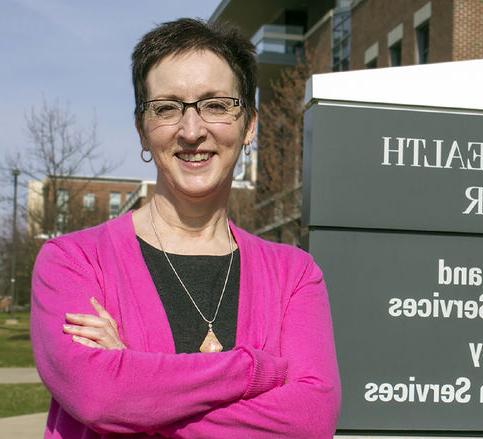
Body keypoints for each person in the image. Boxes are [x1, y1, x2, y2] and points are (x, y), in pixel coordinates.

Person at [30, 18, 340, 438]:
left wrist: (138, 389)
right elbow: (98, 396)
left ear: (249, 124)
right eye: (167, 108)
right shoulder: (73, 261)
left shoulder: (294, 276)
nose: (192, 131)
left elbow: (310, 420)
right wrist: (254, 369)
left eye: (215, 104)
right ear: (142, 129)